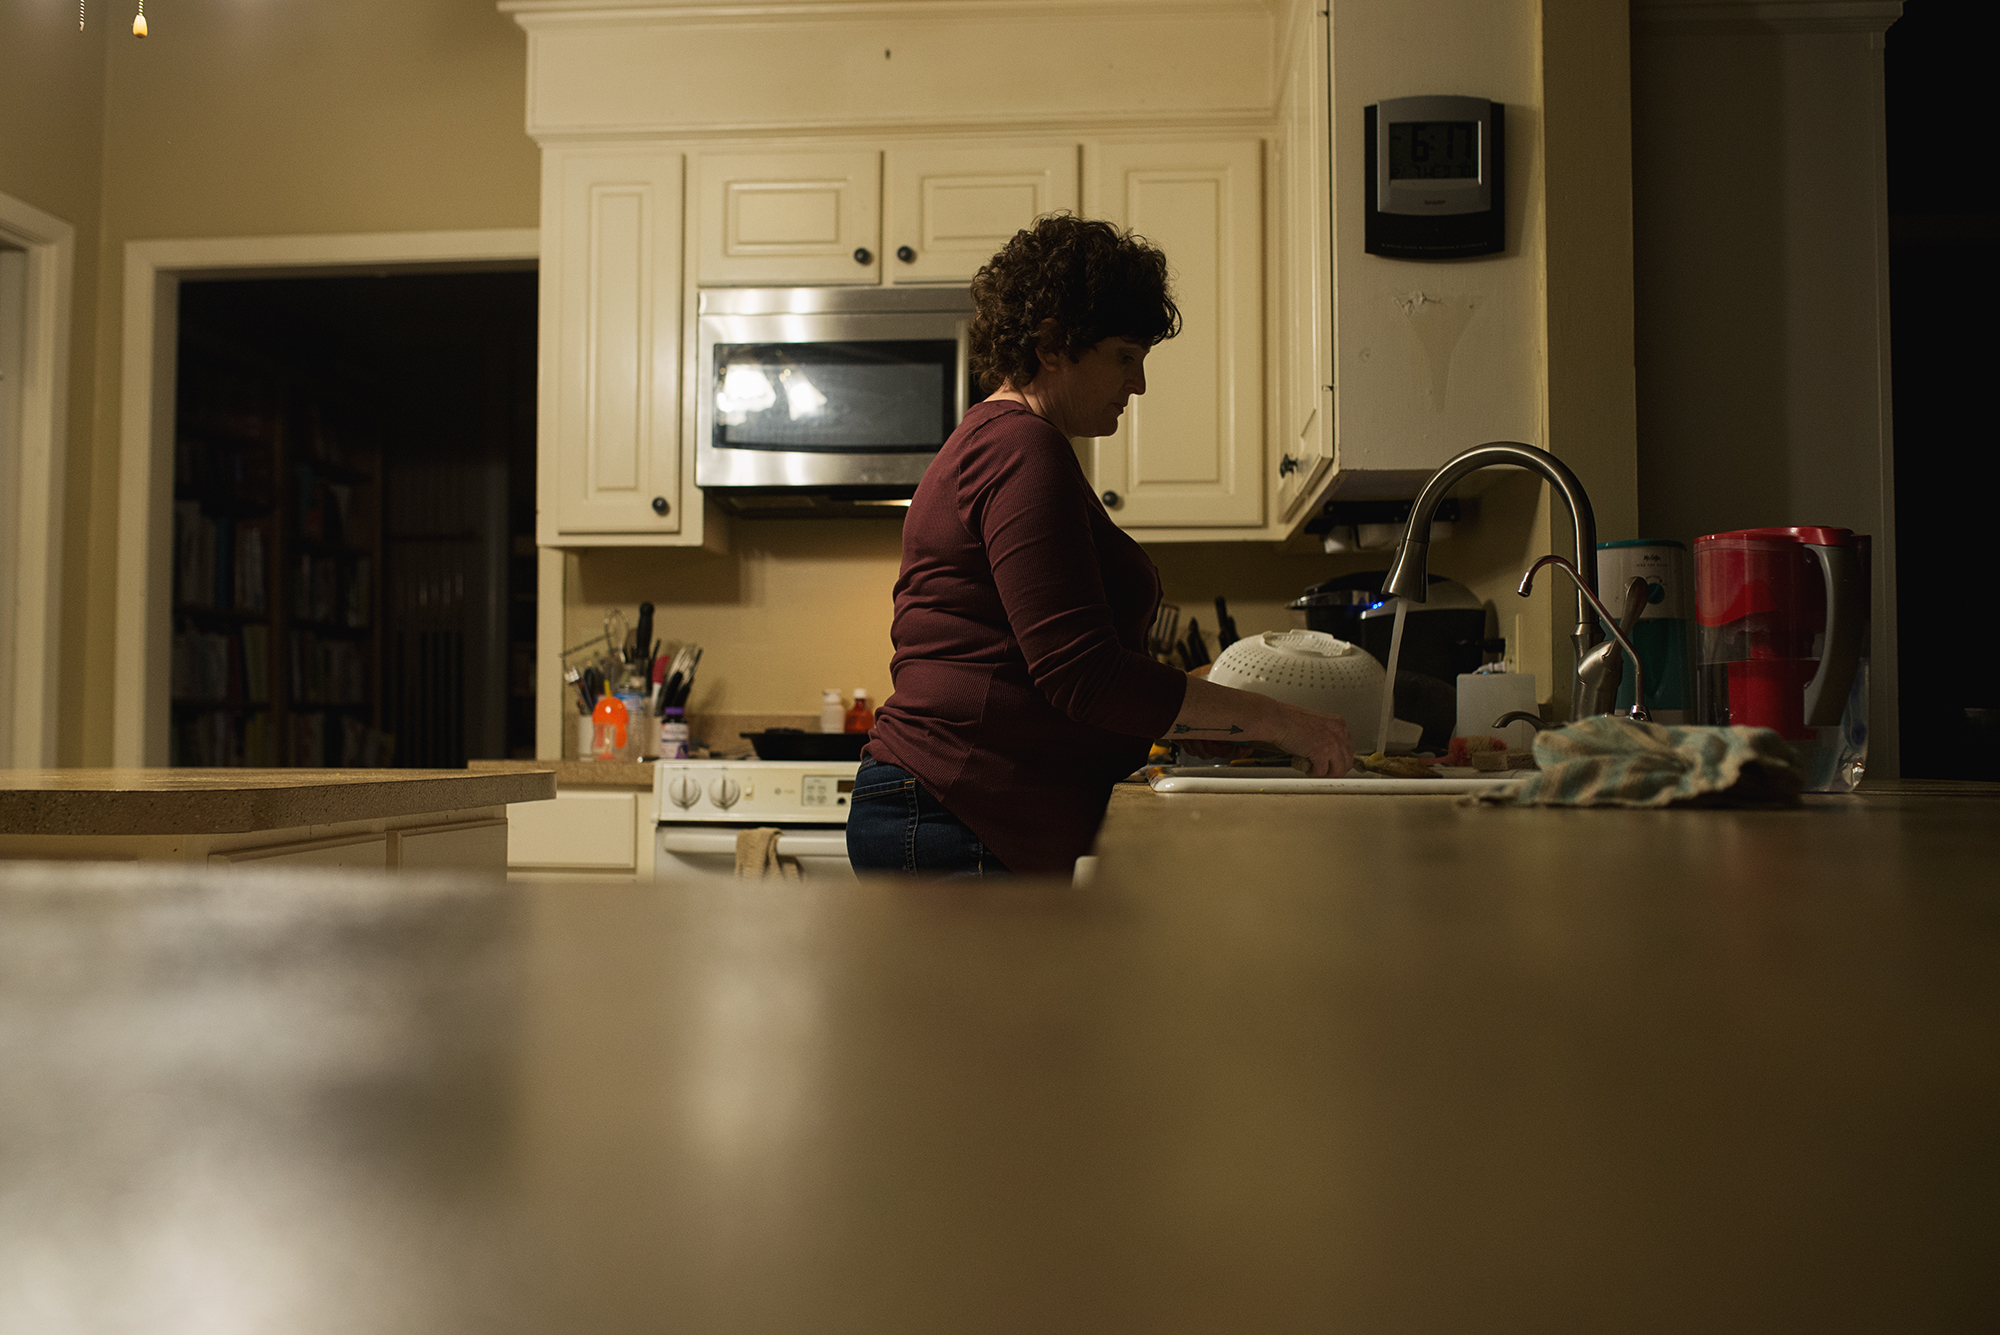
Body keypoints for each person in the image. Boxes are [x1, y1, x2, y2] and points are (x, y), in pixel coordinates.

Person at [849, 215, 1354, 876]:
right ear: (1053, 344)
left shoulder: (1010, 445)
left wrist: (1198, 717)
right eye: (1124, 357)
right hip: (957, 812)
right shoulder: (1020, 448)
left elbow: (1054, 672)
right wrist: (1280, 721)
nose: (1138, 384)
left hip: (956, 810)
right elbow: (1082, 673)